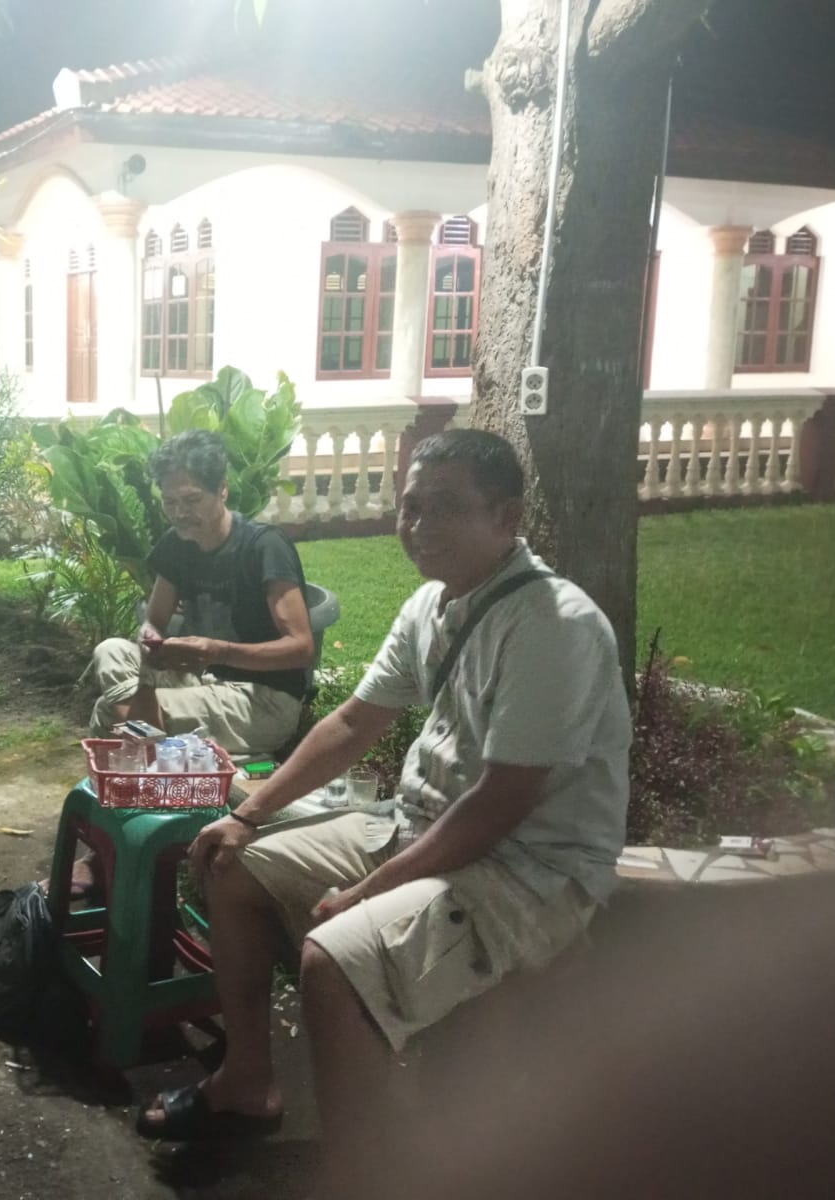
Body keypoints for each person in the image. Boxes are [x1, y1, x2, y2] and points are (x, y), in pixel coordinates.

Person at [137, 429, 632, 1199]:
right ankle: (247, 1081)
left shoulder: (553, 625)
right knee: (229, 862)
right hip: (422, 827)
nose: (418, 525)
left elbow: (503, 801)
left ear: (506, 517)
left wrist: (370, 891)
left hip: (527, 868)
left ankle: (358, 1177)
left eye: (445, 507)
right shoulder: (432, 604)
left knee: (332, 961)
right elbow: (352, 723)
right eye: (410, 505)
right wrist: (249, 815)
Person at [85, 429, 315, 758]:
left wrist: (220, 652)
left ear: (222, 490)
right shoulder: (177, 544)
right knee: (110, 650)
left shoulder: (264, 546)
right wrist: (151, 638)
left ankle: (149, 754)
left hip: (262, 699)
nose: (180, 513)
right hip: (200, 679)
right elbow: (154, 621)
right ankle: (157, 745)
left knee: (109, 711)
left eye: (192, 500)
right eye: (170, 502)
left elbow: (302, 648)